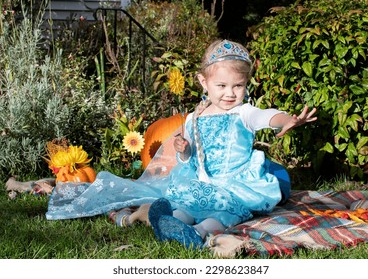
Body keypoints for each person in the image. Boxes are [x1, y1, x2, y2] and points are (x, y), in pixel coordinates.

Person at [46, 39, 317, 249]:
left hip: (233, 183)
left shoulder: (243, 113)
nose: (230, 93)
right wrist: (184, 151)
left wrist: (286, 120)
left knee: (222, 214)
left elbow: (266, 116)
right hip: (200, 183)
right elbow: (192, 159)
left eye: (238, 86)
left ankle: (196, 234)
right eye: (221, 85)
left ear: (246, 85)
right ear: (204, 82)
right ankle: (172, 223)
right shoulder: (194, 118)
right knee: (186, 208)